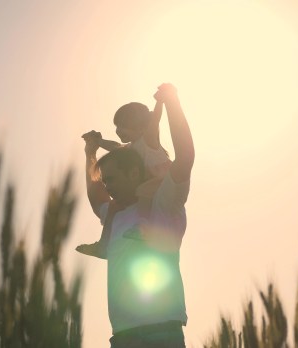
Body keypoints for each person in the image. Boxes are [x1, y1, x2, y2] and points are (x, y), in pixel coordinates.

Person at [81, 83, 194, 348]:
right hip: (123, 336)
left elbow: (185, 157)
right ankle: (102, 245)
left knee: (146, 194)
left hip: (162, 331)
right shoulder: (117, 212)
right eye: (105, 181)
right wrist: (91, 152)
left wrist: (169, 101)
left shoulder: (164, 203)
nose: (107, 186)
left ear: (132, 172)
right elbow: (96, 196)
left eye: (112, 179)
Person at [78, 99, 171, 258]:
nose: (118, 131)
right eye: (117, 127)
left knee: (143, 191)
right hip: (145, 186)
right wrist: (99, 143)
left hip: (160, 181)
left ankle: (143, 226)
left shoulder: (149, 140)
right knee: (114, 207)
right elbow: (116, 147)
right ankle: (103, 244)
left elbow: (155, 119)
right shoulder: (131, 147)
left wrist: (161, 101)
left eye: (123, 127)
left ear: (141, 127)